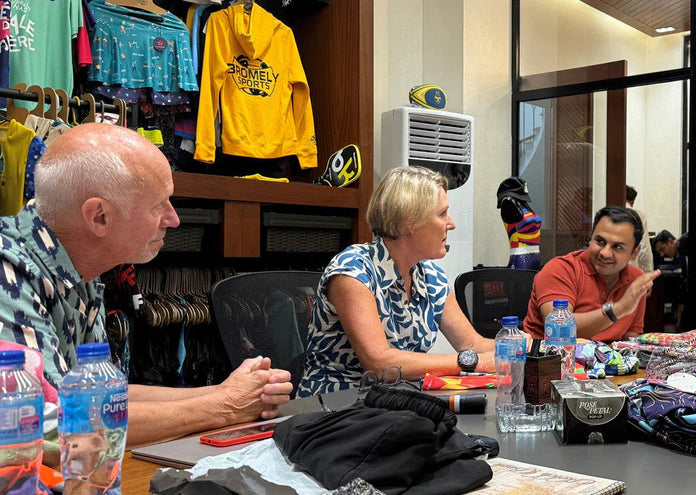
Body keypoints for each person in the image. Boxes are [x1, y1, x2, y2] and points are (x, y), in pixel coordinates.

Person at [0, 124, 293, 448]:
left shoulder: (76, 266)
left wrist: (234, 391)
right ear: (99, 216)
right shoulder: (6, 271)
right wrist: (225, 406)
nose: (174, 219)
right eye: (158, 206)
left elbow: (103, 398)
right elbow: (47, 427)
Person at [298, 166, 496, 397]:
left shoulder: (431, 276)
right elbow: (380, 363)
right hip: (336, 403)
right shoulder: (352, 271)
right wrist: (470, 362)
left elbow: (472, 344)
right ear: (409, 222)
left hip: (397, 400)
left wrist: (524, 346)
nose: (451, 223)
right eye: (442, 214)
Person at [524, 206, 660, 341]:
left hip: (610, 355)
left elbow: (630, 340)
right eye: (600, 241)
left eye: (617, 247)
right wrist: (619, 309)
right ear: (591, 238)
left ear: (634, 253)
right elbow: (559, 330)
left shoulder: (636, 279)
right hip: (553, 354)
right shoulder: (561, 269)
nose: (605, 253)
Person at [625, 185, 653, 272]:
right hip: (631, 267)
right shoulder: (639, 216)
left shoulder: (606, 213)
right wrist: (648, 274)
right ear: (632, 201)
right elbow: (644, 249)